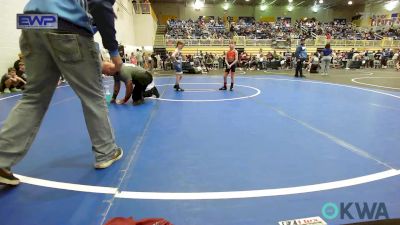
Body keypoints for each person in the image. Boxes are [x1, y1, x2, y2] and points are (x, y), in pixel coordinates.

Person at [0, 0, 124, 186]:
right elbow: (99, 3)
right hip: (65, 23)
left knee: (33, 97)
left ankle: (2, 159)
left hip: (31, 21)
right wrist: (114, 52)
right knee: (93, 96)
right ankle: (106, 152)